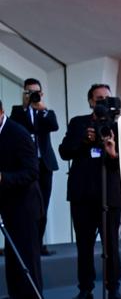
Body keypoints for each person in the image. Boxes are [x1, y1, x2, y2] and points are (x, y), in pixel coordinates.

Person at [59, 84, 121, 299]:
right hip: (83, 195)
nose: (102, 103)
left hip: (110, 195)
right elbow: (64, 151)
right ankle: (85, 289)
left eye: (106, 99)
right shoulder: (78, 123)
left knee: (111, 246)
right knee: (84, 246)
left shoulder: (118, 125)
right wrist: (82, 141)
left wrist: (113, 154)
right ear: (90, 102)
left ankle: (113, 287)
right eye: (98, 99)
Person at [10, 78, 59, 256]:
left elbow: (54, 126)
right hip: (26, 167)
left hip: (44, 165)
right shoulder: (17, 112)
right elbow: (14, 128)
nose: (33, 95)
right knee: (28, 205)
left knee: (43, 206)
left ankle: (38, 245)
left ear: (41, 93)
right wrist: (25, 107)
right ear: (24, 93)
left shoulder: (46, 112)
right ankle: (27, 245)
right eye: (29, 92)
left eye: (35, 92)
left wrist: (42, 109)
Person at [0, 99, 43, 299]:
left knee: (27, 260)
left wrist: (3, 177)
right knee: (12, 260)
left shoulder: (18, 133)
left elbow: (32, 171)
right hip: (7, 207)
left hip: (25, 207)